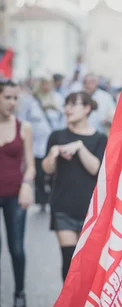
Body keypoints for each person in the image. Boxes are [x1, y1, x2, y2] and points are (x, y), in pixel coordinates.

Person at [42, 91, 107, 281]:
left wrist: (79, 146)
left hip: (90, 209)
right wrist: (52, 154)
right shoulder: (57, 135)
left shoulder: (100, 139)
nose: (67, 109)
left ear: (87, 108)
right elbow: (47, 169)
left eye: (73, 105)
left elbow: (96, 168)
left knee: (87, 262)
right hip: (63, 207)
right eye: (66, 105)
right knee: (68, 260)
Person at [0, 79, 35, 307]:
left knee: (16, 248)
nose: (12, 102)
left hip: (15, 195)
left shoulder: (24, 127)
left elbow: (31, 165)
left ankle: (19, 292)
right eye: (8, 97)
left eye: (15, 98)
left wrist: (26, 184)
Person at [16, 76, 65, 211]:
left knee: (53, 172)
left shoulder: (57, 98)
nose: (45, 87)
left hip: (53, 142)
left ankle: (52, 196)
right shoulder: (30, 101)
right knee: (38, 173)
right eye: (42, 84)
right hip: (36, 144)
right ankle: (42, 199)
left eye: (47, 84)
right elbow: (22, 119)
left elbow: (64, 118)